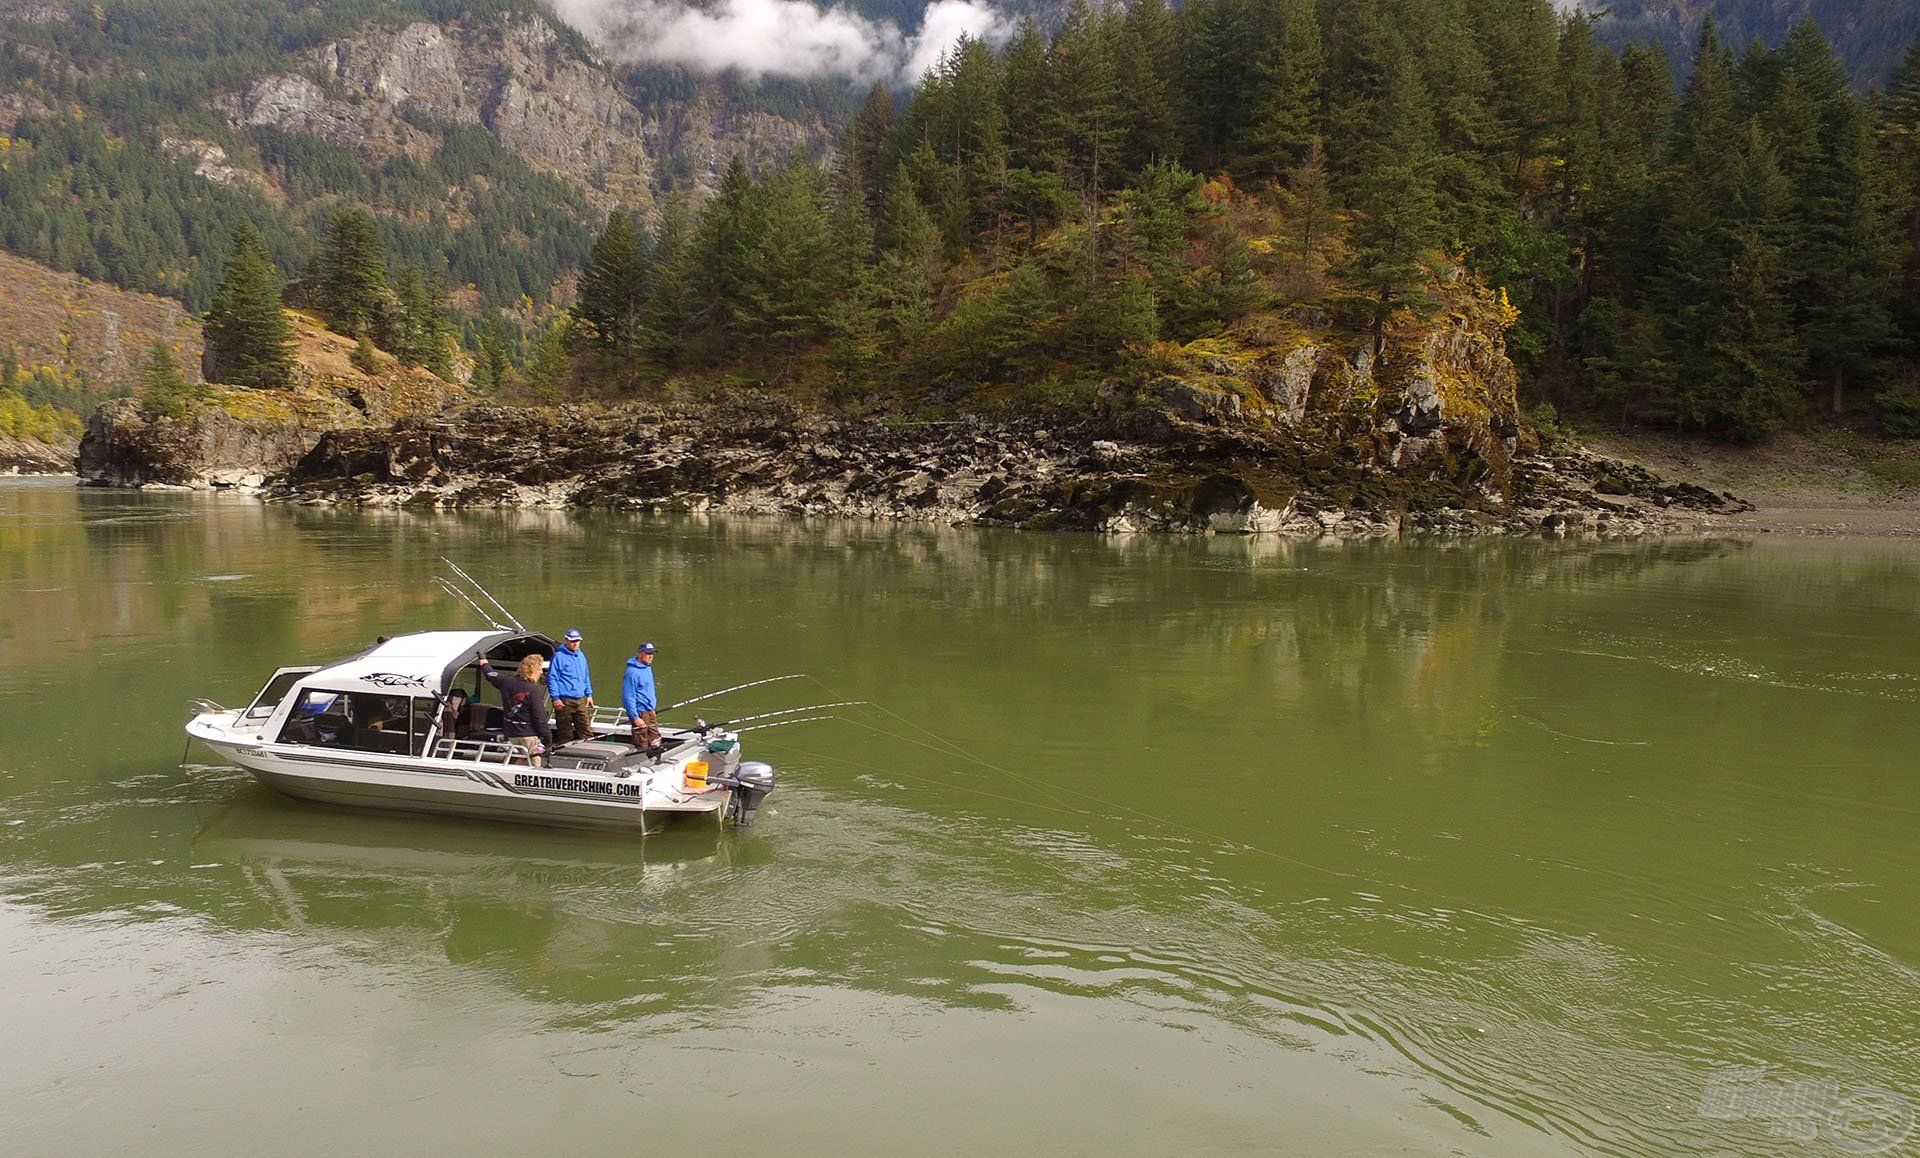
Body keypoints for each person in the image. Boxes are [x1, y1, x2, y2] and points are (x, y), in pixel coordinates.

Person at [478, 653, 553, 765]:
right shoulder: (533, 690)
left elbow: (489, 673)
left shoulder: (506, 681)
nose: (541, 672)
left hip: (511, 734)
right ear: (532, 670)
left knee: (519, 759)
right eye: (539, 669)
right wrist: (548, 739)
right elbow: (540, 717)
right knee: (535, 763)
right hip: (528, 736)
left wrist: (483, 660)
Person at [547, 628, 595, 746]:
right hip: (564, 699)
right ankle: (565, 753)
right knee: (565, 732)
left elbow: (585, 676)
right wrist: (555, 698)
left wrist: (588, 694)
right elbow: (552, 678)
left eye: (577, 641)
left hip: (580, 699)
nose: (575, 643)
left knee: (586, 729)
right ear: (566, 640)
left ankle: (589, 750)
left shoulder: (581, 656)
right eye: (573, 641)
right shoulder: (558, 657)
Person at [621, 641, 660, 756]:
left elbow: (649, 690)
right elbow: (628, 697)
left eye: (652, 653)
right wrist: (635, 717)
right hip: (639, 712)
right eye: (648, 653)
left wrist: (652, 708)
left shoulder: (647, 668)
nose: (651, 656)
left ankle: (656, 761)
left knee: (656, 739)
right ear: (639, 654)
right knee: (641, 743)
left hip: (649, 711)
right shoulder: (632, 673)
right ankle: (641, 763)